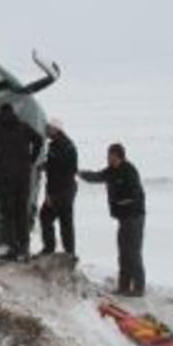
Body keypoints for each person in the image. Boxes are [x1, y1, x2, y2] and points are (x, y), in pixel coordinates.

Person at [79, 143, 147, 297]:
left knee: (133, 252)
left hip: (134, 217)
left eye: (112, 157)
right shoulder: (111, 171)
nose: (109, 159)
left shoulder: (129, 171)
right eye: (108, 156)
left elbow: (133, 195)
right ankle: (123, 286)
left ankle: (138, 287)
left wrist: (119, 202)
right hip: (123, 218)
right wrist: (80, 174)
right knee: (123, 252)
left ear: (120, 157)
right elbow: (97, 177)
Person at [0, 103, 44, 262]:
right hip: (23, 177)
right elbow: (39, 141)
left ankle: (12, 250)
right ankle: (25, 249)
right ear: (13, 113)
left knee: (8, 215)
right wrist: (31, 160)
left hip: (4, 177)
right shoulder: (23, 126)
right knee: (21, 212)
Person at [38, 120, 78, 256]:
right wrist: (45, 166)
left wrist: (50, 194)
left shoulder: (58, 146)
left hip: (60, 189)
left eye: (48, 129)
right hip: (69, 187)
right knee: (66, 220)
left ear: (55, 130)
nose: (46, 131)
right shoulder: (68, 144)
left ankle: (49, 248)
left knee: (46, 216)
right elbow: (63, 167)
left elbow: (56, 172)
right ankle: (69, 251)